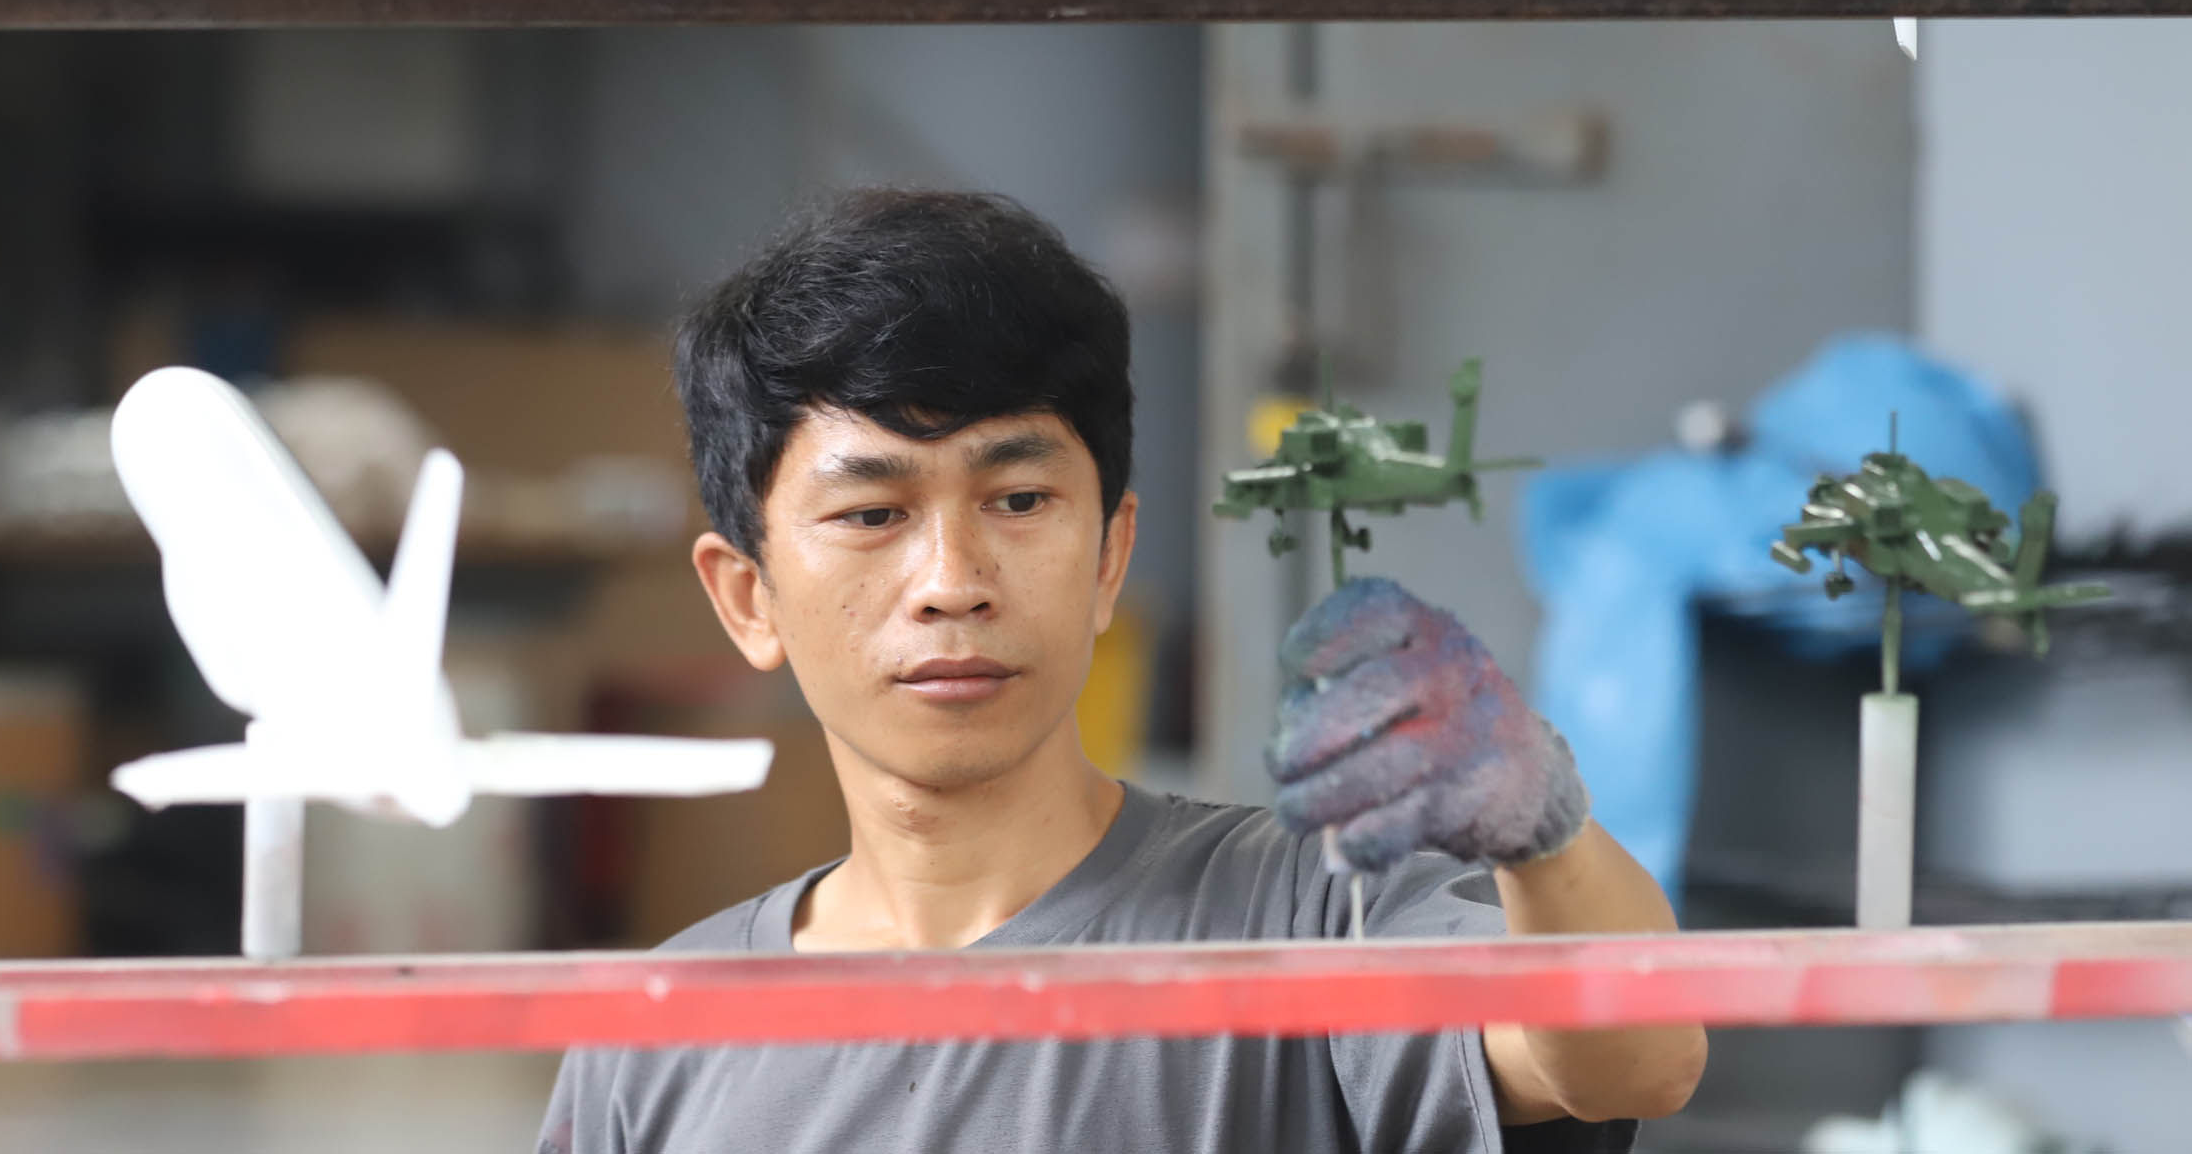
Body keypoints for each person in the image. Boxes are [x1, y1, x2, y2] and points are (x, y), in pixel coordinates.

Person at [539, 189, 1705, 1154]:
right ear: (748, 596)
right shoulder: (659, 1037)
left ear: (1109, 555)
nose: (951, 579)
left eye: (1019, 499)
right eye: (872, 511)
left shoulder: (1309, 916)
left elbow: (1635, 1061)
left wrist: (1537, 824)